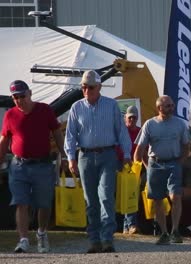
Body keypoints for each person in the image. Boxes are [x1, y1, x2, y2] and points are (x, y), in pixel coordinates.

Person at [65, 70, 132, 253]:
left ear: (99, 87)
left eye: (90, 87)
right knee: (90, 200)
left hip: (108, 155)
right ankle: (94, 240)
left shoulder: (111, 105)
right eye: (84, 87)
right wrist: (71, 158)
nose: (86, 90)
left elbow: (121, 130)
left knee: (106, 197)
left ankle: (107, 239)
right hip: (85, 157)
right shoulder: (76, 107)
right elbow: (70, 135)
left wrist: (126, 153)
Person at [0, 80, 67, 253]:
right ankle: (23, 239)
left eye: (22, 96)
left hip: (42, 164)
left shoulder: (44, 110)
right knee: (20, 202)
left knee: (43, 203)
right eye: (15, 97)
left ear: (30, 93)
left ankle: (41, 232)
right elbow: (4, 140)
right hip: (19, 165)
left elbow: (57, 133)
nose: (19, 100)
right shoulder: (10, 115)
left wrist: (65, 154)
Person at [134, 95, 190, 245]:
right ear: (159, 108)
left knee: (175, 196)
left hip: (174, 163)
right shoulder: (149, 124)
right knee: (158, 199)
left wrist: (181, 161)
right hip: (155, 164)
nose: (171, 108)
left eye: (172, 105)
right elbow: (140, 149)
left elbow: (186, 145)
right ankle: (164, 232)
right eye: (168, 106)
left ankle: (175, 231)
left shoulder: (180, 124)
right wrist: (145, 166)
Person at [117, 105, 142, 235]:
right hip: (120, 166)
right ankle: (126, 225)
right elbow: (116, 148)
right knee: (122, 196)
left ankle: (130, 225)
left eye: (134, 117)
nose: (132, 120)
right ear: (125, 117)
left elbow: (144, 150)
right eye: (130, 117)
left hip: (135, 168)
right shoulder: (121, 132)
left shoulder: (140, 132)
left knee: (131, 195)